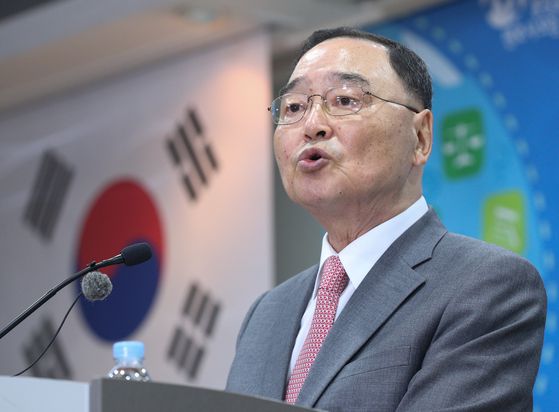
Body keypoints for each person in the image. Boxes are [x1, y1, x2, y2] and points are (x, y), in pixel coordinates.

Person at [226, 27, 546, 411]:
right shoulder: (266, 313)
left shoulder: (486, 285)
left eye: (345, 100)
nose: (311, 125)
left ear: (421, 137)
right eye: (294, 107)